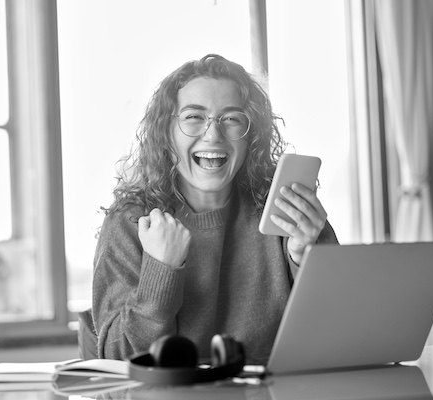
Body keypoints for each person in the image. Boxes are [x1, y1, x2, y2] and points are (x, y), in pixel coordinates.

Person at [92, 54, 338, 364]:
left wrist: (304, 259)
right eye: (194, 117)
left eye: (232, 118)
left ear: (251, 135)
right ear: (167, 132)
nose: (213, 134)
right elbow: (117, 358)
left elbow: (338, 334)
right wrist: (160, 270)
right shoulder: (130, 222)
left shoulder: (288, 210)